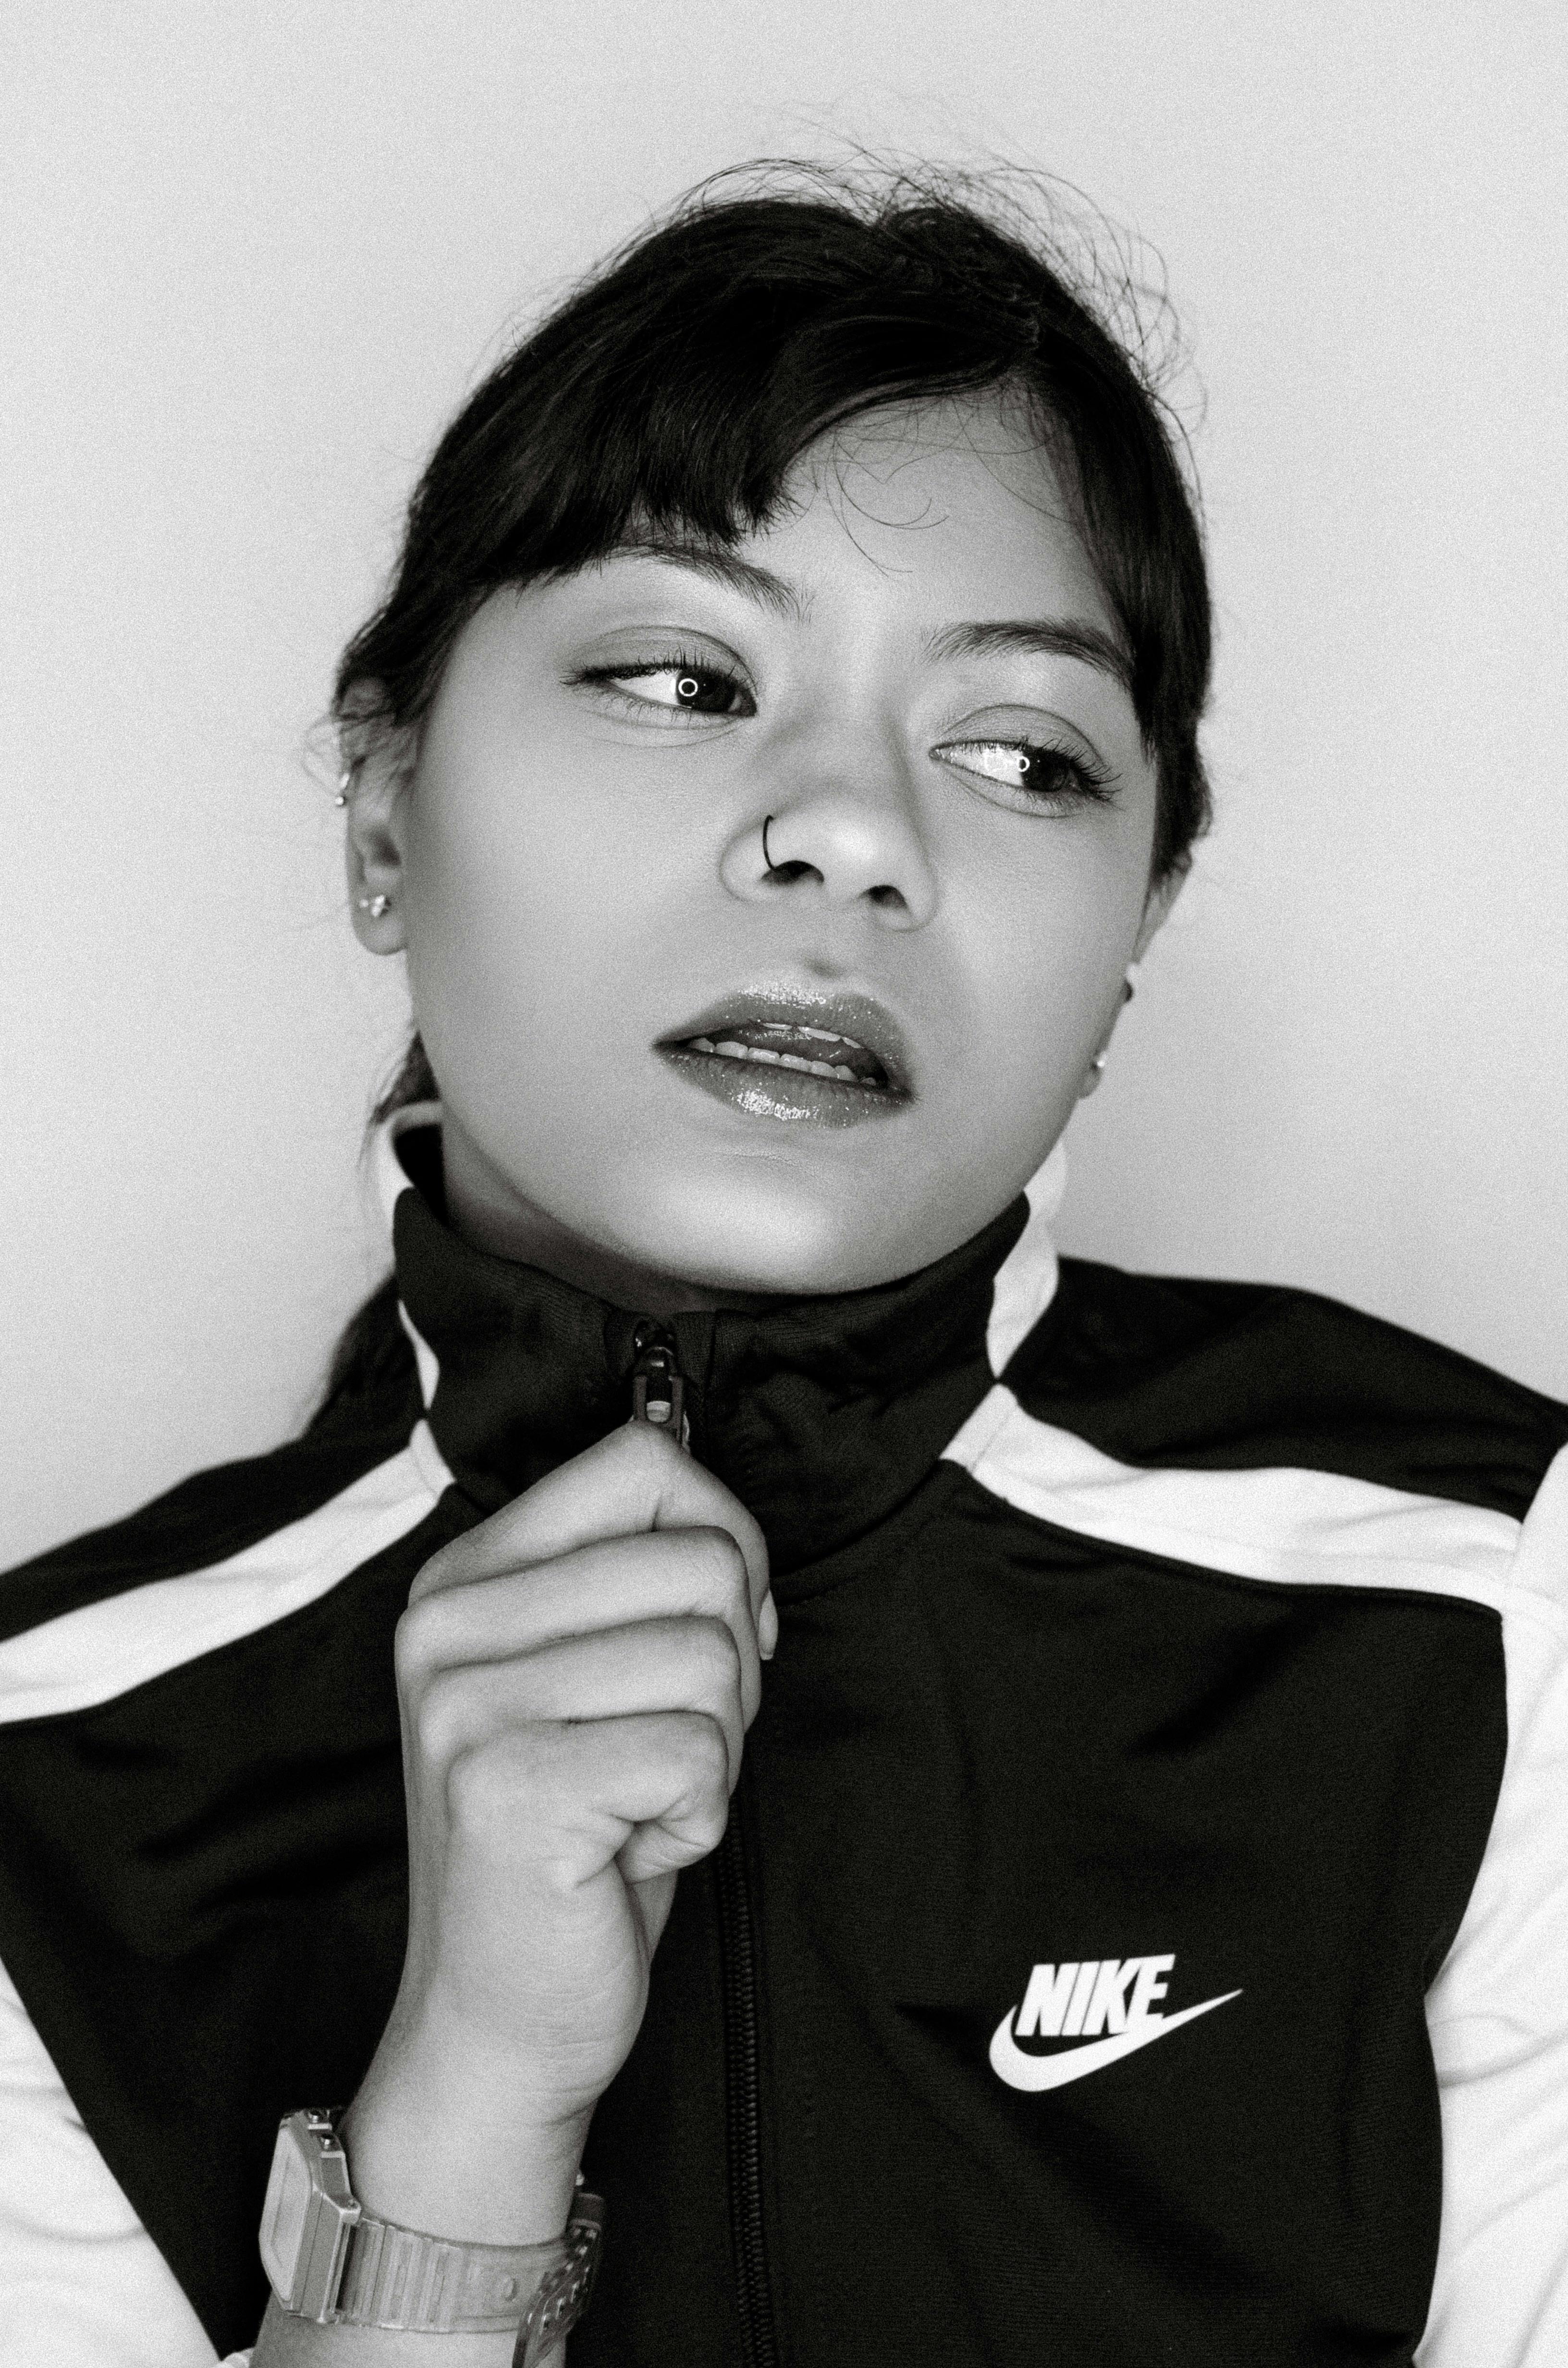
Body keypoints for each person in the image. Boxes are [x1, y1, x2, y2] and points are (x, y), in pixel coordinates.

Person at [0, 160, 1564, 2368]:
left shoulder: (1483, 1603)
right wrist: (460, 2105)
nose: (849, 832)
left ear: (1136, 937)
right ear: (383, 810)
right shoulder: (52, 1779)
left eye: (1021, 750)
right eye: (674, 671)